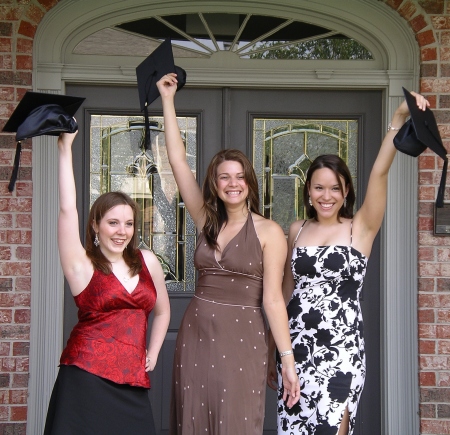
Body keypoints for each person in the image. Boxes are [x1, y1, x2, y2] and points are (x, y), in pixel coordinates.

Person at [267, 91, 429, 435]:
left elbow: (380, 174)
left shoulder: (361, 228)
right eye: (318, 188)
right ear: (308, 191)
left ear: (346, 192)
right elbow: (283, 295)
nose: (326, 196)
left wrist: (398, 120)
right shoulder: (296, 230)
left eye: (335, 189)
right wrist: (276, 350)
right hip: (295, 351)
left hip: (341, 352)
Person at [156, 73, 300, 435]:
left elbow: (274, 300)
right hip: (197, 333)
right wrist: (168, 100)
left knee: (237, 420)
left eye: (239, 176)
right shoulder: (206, 219)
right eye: (224, 177)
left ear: (249, 182)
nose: (232, 183)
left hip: (242, 339)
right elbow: (176, 162)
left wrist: (285, 358)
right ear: (215, 184)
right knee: (193, 418)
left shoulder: (269, 232)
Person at [44, 130, 171, 435]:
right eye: (112, 222)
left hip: (132, 378)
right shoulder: (81, 265)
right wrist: (65, 148)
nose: (121, 231)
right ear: (95, 225)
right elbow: (66, 209)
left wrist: (151, 353)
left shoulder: (147, 261)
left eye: (128, 223)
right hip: (85, 376)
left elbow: (163, 312)